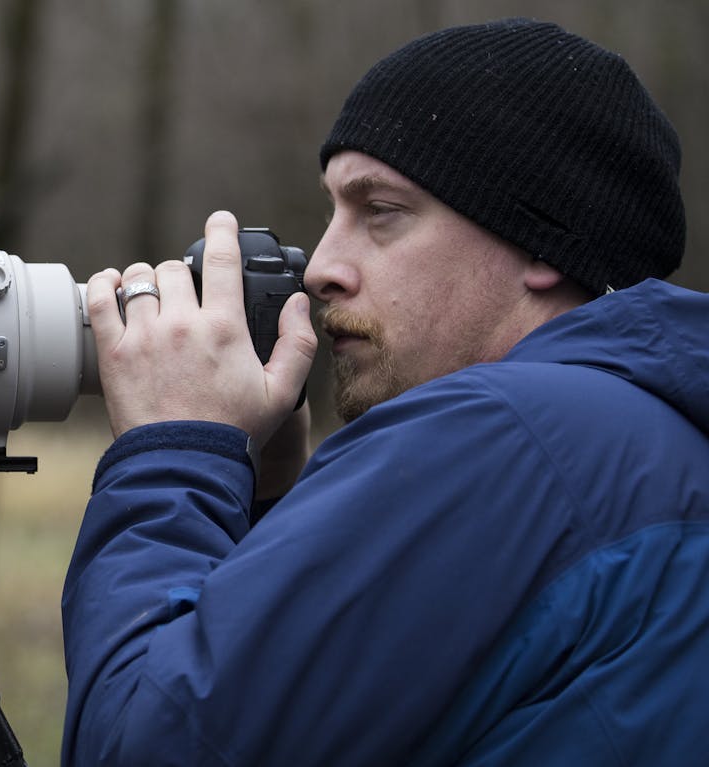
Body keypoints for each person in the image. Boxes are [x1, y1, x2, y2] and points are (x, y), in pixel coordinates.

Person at [62, 18, 709, 766]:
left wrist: (172, 453)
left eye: (381, 212)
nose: (322, 266)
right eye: (334, 211)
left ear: (542, 240)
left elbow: (145, 743)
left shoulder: (501, 434)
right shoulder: (654, 439)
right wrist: (264, 510)